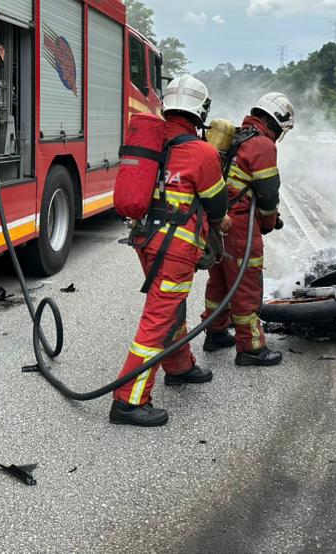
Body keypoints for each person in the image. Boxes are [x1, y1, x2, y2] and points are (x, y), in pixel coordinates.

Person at [110, 75, 229, 427]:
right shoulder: (202, 152)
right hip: (175, 249)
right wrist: (221, 222)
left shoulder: (153, 140)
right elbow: (217, 205)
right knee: (157, 320)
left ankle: (179, 367)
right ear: (201, 111)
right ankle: (128, 400)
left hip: (146, 241)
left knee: (170, 307)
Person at [201, 92, 294, 366]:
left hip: (219, 219)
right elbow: (267, 194)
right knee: (246, 283)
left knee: (218, 280)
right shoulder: (263, 144)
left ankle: (215, 333)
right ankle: (251, 348)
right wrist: (268, 222)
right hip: (240, 223)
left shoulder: (237, 135)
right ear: (276, 123)